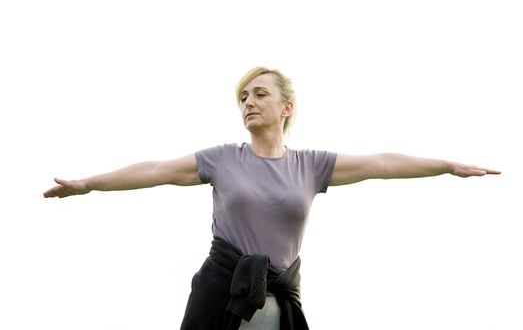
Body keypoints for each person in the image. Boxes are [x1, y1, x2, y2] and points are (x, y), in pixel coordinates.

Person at [43, 67, 500, 330]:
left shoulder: (312, 165)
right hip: (220, 294)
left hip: (279, 303)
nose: (248, 102)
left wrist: (447, 165)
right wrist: (89, 183)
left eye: (260, 94)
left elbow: (382, 163)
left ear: (287, 107)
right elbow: (155, 171)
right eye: (243, 96)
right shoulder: (222, 159)